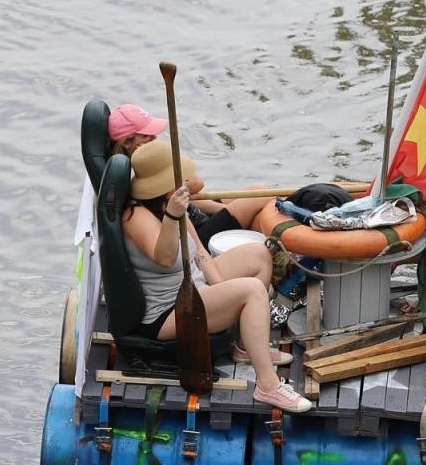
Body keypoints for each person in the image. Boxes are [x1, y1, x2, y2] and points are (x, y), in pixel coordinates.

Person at [123, 141, 311, 413]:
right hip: (167, 312)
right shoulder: (135, 215)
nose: (186, 181)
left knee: (260, 254)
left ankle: (247, 346)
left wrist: (223, 288)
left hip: (194, 287)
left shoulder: (170, 202)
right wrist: (172, 216)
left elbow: (200, 254)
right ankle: (267, 386)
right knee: (252, 291)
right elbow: (163, 257)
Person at [107, 102, 276, 251]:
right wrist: (221, 211)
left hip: (194, 212)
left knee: (259, 204)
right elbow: (194, 183)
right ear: (128, 142)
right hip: (193, 233)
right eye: (146, 135)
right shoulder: (141, 176)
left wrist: (217, 209)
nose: (154, 137)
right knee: (261, 194)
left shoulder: (144, 165)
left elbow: (187, 189)